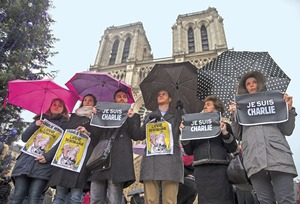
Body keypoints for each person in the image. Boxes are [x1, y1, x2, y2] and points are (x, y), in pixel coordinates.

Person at [229, 70, 297, 204]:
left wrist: (289, 110)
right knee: (265, 201)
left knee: (286, 199)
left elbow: (288, 130)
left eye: (254, 82)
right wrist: (234, 116)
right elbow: (237, 134)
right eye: (248, 84)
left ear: (260, 84)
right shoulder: (240, 108)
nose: (252, 85)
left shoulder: (274, 102)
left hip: (278, 156)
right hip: (253, 159)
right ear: (245, 88)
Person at [10, 98, 69, 204]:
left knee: (35, 197)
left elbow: (62, 145)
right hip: (25, 163)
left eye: (60, 105)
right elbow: (24, 138)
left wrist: (48, 156)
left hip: (44, 166)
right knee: (18, 195)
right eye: (54, 104)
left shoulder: (66, 125)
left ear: (63, 109)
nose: (56, 106)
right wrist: (35, 125)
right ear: (50, 107)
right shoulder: (40, 119)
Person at [88, 89, 143, 204]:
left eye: (124, 96)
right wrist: (94, 117)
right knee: (95, 198)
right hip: (101, 160)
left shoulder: (134, 116)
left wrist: (131, 118)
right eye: (119, 96)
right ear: (114, 100)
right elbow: (95, 136)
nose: (122, 98)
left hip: (119, 161)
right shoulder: (105, 115)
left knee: (114, 198)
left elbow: (137, 135)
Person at [182, 95, 237, 204]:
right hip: (201, 168)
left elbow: (232, 147)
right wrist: (185, 133)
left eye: (208, 104)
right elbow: (188, 150)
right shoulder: (194, 127)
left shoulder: (225, 125)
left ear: (217, 108)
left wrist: (225, 133)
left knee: (223, 199)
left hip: (220, 168)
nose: (205, 107)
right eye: (204, 105)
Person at [48, 94, 97, 204]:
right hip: (65, 160)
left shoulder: (97, 119)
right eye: (85, 100)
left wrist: (88, 131)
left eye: (90, 100)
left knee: (75, 198)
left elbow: (98, 137)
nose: (87, 102)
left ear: (94, 104)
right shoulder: (73, 116)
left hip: (81, 161)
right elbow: (64, 132)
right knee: (59, 196)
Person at [139, 89, 184, 204]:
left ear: (170, 99)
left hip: (170, 162)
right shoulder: (150, 115)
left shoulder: (177, 115)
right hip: (151, 161)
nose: (160, 95)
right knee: (150, 200)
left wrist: (182, 112)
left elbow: (186, 132)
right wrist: (149, 119)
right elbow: (140, 134)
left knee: (169, 200)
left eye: (164, 94)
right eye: (159, 94)